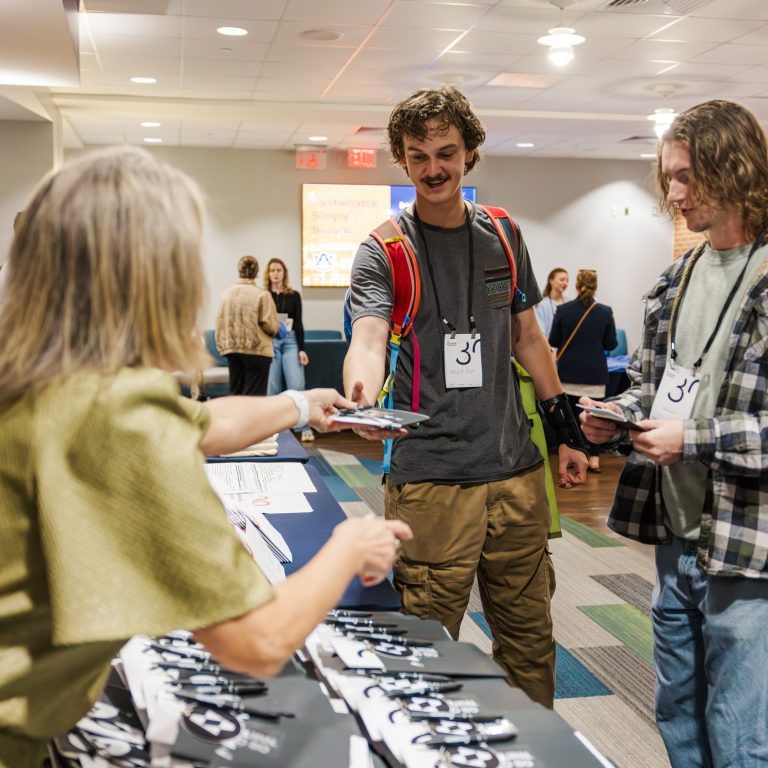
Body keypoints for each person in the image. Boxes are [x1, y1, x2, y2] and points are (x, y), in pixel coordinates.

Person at [0, 146, 412, 768]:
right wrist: (352, 546)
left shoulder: (44, 381)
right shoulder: (115, 416)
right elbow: (256, 642)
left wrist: (299, 407)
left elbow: (195, 424)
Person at [344, 86, 588, 709]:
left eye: (446, 152)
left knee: (530, 644)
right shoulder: (385, 250)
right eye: (418, 155)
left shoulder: (503, 233)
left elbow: (529, 337)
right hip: (431, 484)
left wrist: (566, 433)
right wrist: (362, 394)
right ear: (401, 159)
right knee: (427, 651)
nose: (433, 169)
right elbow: (369, 336)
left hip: (516, 476)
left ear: (471, 151)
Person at [580, 100, 768, 767]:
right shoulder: (677, 278)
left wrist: (692, 439)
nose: (673, 195)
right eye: (668, 177)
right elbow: (651, 384)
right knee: (678, 711)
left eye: (687, 176)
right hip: (673, 531)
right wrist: (615, 415)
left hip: (745, 543)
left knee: (740, 730)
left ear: (736, 168)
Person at [549, 268, 617, 473]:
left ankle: (574, 455)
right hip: (595, 375)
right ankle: (594, 458)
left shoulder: (563, 310)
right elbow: (611, 344)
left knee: (569, 417)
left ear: (577, 286)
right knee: (595, 417)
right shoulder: (605, 312)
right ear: (595, 287)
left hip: (568, 374)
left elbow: (553, 341)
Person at [264, 257, 313, 441]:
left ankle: (303, 426)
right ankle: (271, 427)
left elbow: (299, 323)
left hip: (291, 341)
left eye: (278, 270)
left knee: (297, 385)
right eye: (272, 270)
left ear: (284, 273)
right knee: (271, 387)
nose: (275, 273)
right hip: (270, 342)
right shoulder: (264, 295)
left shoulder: (294, 295)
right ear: (268, 274)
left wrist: (302, 349)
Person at [215, 255, 279, 396]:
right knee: (254, 398)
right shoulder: (262, 295)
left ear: (239, 270)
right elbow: (271, 326)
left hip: (232, 351)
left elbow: (219, 323)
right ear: (256, 272)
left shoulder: (226, 294)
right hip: (257, 351)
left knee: (236, 394)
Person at [534, 267, 568, 338]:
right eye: (562, 280)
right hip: (549, 347)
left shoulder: (569, 302)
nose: (565, 283)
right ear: (551, 280)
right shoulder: (542, 304)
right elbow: (541, 332)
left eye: (567, 280)